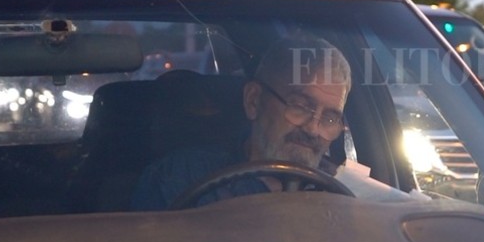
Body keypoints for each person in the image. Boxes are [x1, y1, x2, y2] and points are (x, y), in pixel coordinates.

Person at [132, 37, 415, 210]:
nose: (313, 130)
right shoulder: (179, 178)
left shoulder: (348, 192)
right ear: (253, 101)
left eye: (330, 117)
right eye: (300, 106)